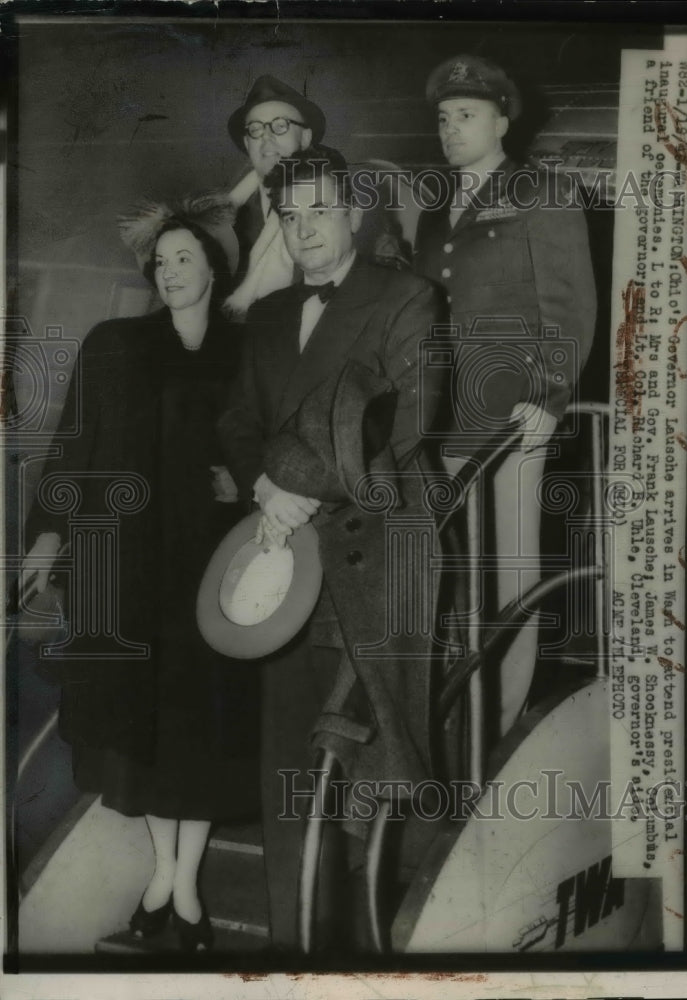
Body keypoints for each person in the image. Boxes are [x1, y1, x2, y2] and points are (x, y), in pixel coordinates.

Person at [218, 148, 445, 951]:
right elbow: (239, 424)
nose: (305, 227)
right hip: (283, 560)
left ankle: (364, 951)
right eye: (290, 214)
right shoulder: (271, 316)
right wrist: (265, 489)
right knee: (287, 764)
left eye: (319, 209)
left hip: (373, 559)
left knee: (363, 761)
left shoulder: (407, 296)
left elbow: (408, 421)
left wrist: (302, 486)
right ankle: (293, 947)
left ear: (354, 213)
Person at [22, 201, 262, 953]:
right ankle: (173, 886)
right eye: (161, 261)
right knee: (151, 732)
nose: (171, 271)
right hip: (132, 569)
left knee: (206, 729)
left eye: (186, 257)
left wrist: (246, 481)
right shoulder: (116, 343)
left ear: (215, 266)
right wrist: (49, 535)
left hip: (221, 568)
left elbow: (274, 440)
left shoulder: (247, 349)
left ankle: (176, 890)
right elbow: (72, 443)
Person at [414, 54, 597, 737]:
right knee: (454, 581)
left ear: (501, 120)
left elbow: (568, 303)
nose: (450, 129)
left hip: (511, 416)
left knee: (510, 579)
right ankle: (454, 727)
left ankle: (498, 727)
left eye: (465, 116)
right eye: (442, 118)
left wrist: (548, 397)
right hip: (440, 419)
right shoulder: (435, 210)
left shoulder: (543, 190)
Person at [222, 75, 323, 317]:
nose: (266, 138)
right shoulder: (220, 220)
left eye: (280, 126)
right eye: (256, 129)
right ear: (248, 144)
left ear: (305, 138)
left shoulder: (333, 210)